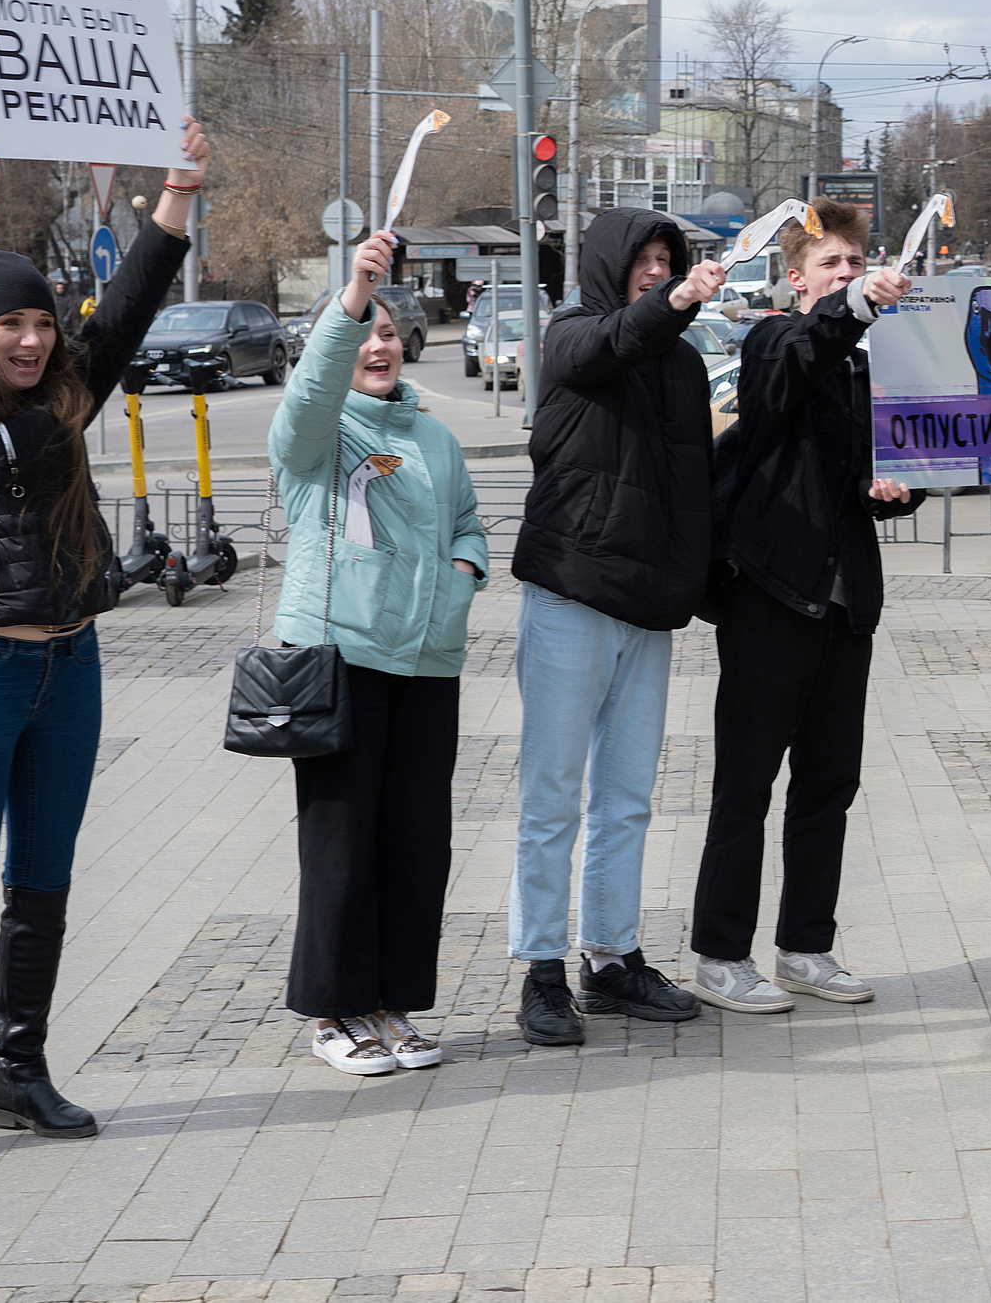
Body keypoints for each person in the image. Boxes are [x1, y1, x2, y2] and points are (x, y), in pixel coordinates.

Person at [0, 119, 204, 1173]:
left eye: (39, 323)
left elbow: (124, 311)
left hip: (70, 665)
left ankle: (18, 1072)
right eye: (8, 327)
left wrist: (175, 200)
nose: (30, 341)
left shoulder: (68, 399)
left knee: (46, 879)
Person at [690, 200, 922, 1013]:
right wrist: (851, 313)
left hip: (846, 600)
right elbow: (798, 362)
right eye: (832, 265)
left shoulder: (871, 364)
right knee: (745, 784)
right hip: (772, 591)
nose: (848, 276)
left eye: (856, 264)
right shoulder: (772, 340)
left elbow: (881, 472)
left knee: (829, 784)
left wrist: (895, 490)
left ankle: (805, 948)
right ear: (796, 280)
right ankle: (720, 954)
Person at [271, 228, 487, 1075]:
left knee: (414, 840)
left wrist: (465, 567)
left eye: (390, 332)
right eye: (364, 332)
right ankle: (335, 1008)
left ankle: (391, 1004)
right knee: (342, 841)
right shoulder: (319, 430)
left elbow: (467, 518)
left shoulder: (434, 435)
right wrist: (352, 296)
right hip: (341, 656)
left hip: (427, 660)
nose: (378, 345)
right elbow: (312, 388)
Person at [508, 209, 724, 1046]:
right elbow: (613, 344)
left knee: (628, 798)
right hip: (569, 594)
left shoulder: (688, 364)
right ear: (612, 266)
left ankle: (612, 956)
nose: (658, 269)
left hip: (648, 609)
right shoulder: (569, 335)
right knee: (553, 794)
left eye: (670, 258)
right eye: (646, 258)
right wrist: (667, 305)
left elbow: (695, 483)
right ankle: (541, 969)